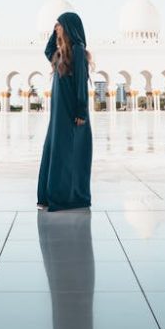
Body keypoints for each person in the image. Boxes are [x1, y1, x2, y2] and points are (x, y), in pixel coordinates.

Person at [37, 11, 93, 212]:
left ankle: (67, 197)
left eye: (59, 25)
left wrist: (81, 111)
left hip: (70, 113)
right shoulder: (60, 53)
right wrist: (54, 33)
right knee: (54, 151)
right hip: (58, 114)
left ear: (68, 28)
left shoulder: (78, 50)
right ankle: (49, 196)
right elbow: (47, 50)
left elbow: (81, 84)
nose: (56, 27)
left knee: (68, 154)